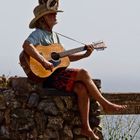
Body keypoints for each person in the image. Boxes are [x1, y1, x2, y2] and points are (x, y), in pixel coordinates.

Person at [21, 2, 127, 139]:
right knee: (83, 73)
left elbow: (65, 58)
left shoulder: (55, 36)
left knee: (81, 88)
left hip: (57, 75)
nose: (55, 16)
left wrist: (85, 54)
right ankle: (105, 104)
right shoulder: (38, 34)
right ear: (43, 19)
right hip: (48, 77)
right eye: (51, 14)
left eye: (54, 13)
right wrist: (43, 61)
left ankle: (86, 128)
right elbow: (26, 45)